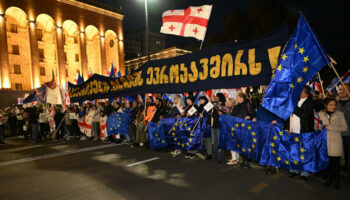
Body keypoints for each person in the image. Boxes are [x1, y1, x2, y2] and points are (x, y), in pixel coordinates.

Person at [319, 97, 348, 188]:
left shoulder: (340, 114)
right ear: (325, 105)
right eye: (331, 105)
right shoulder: (320, 114)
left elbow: (344, 128)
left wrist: (330, 128)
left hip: (336, 141)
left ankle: (337, 181)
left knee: (336, 163)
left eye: (335, 105)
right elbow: (316, 126)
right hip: (325, 141)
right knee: (328, 162)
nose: (333, 107)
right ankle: (329, 178)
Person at [289, 86, 315, 181]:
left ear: (304, 92)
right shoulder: (297, 101)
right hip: (294, 132)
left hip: (305, 132)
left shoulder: (310, 102)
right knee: (294, 152)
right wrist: (289, 128)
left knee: (305, 153)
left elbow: (304, 115)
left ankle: (305, 173)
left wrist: (294, 108)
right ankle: (294, 170)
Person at [230, 92, 255, 167]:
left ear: (242, 98)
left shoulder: (248, 105)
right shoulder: (236, 107)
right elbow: (232, 116)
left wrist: (249, 117)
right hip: (238, 128)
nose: (236, 99)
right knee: (240, 145)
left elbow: (253, 114)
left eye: (237, 97)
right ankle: (244, 160)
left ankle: (246, 161)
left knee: (246, 145)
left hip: (246, 128)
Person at [337, 83, 350, 180]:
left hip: (348, 134)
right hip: (336, 134)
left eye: (344, 89)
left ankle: (348, 169)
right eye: (340, 89)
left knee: (348, 153)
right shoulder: (335, 103)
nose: (341, 91)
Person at [210, 93, 226, 163]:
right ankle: (215, 157)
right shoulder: (214, 105)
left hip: (220, 125)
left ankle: (220, 158)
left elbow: (225, 113)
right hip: (214, 125)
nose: (215, 97)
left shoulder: (223, 105)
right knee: (215, 142)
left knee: (220, 142)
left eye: (217, 96)